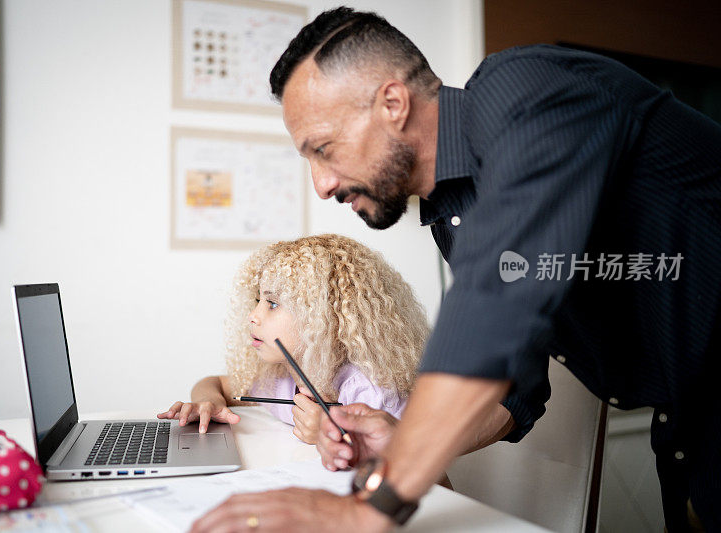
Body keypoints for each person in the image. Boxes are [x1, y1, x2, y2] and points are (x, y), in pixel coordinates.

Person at [189, 6, 721, 533]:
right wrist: (402, 437)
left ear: (393, 103)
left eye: (324, 150)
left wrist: (370, 504)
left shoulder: (527, 89)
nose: (321, 185)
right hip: (691, 431)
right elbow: (516, 392)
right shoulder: (455, 217)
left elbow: (495, 311)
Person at [158, 233, 428, 445]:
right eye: (257, 300)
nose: (253, 315)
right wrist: (211, 403)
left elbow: (427, 475)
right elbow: (214, 383)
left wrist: (333, 433)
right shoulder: (281, 379)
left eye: (272, 303)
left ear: (324, 317)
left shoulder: (371, 392)